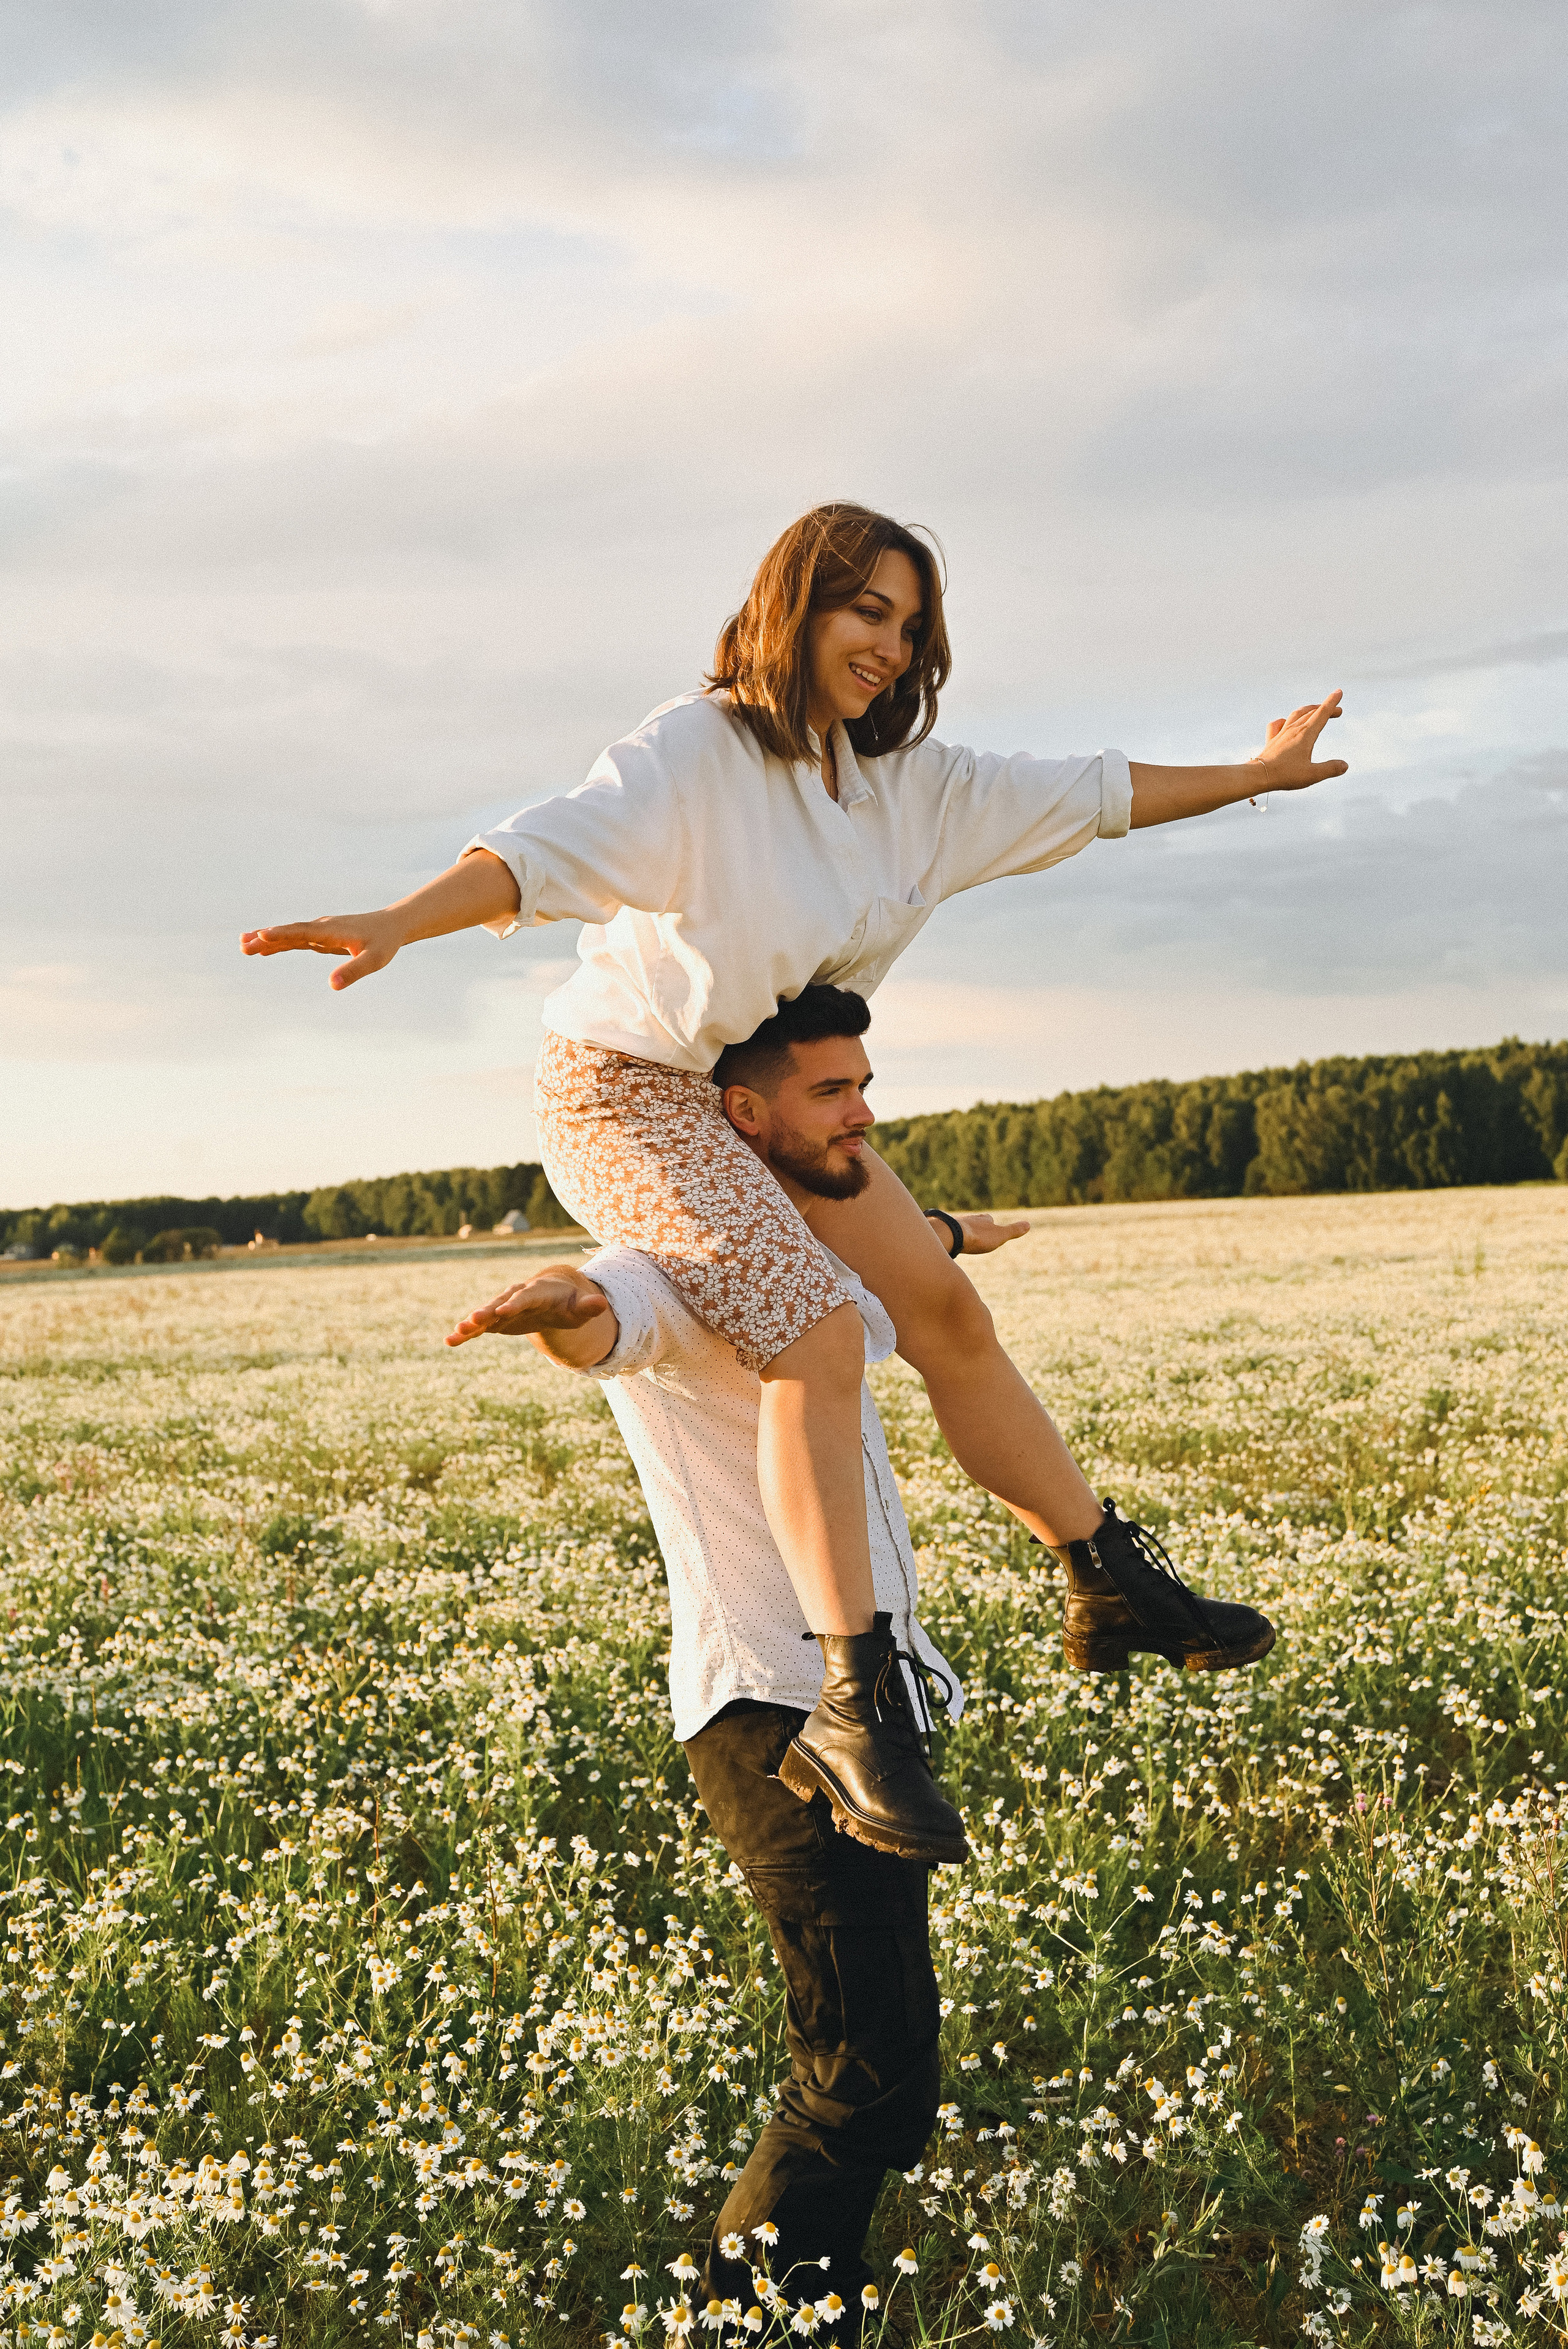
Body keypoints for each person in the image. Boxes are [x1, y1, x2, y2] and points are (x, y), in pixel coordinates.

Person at [244, 499, 1336, 1857]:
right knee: (814, 1333)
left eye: (909, 623)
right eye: (863, 610)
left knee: (938, 1306)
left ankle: (1104, 1577)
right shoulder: (700, 751)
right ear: (795, 603)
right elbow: (543, 846)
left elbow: (1100, 794)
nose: (888, 644)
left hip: (765, 1088)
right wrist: (402, 920)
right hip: (627, 1088)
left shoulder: (913, 791)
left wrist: (1255, 775)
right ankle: (849, 1700)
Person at [442, 989, 1273, 2310]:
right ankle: (754, 2314)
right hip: (776, 1720)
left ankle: (793, 2297)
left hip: (849, 1707)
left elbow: (861, 1264)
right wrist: (558, 1305)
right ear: (740, 1117)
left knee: (872, 2064)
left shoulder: (779, 1257)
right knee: (858, 2078)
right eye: (833, 1093)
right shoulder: (663, 1263)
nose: (865, 1112)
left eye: (863, 1083)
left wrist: (943, 1235)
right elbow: (610, 1317)